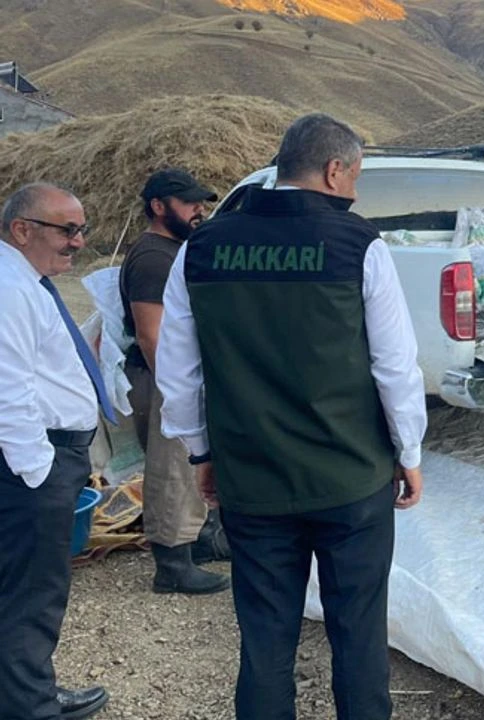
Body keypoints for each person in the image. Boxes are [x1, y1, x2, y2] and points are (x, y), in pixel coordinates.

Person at [155, 112, 428, 719]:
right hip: (351, 480)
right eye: (354, 176)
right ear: (334, 170)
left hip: (252, 479)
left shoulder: (201, 248)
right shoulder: (358, 245)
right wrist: (408, 451)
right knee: (358, 633)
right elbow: (393, 367)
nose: (354, 190)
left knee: (264, 638)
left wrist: (201, 452)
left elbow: (178, 371)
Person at [0, 183, 110, 719]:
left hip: (40, 457)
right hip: (33, 461)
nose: (79, 241)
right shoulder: (10, 288)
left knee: (23, 583)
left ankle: (25, 690)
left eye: (81, 229)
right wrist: (39, 472)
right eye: (67, 230)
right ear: (23, 230)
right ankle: (30, 707)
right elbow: (7, 389)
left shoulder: (24, 281)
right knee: (33, 591)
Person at [119, 168, 231, 595]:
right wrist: (174, 390)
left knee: (188, 468)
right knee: (172, 470)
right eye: (189, 203)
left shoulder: (172, 250)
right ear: (158, 206)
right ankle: (172, 566)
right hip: (161, 378)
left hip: (173, 375)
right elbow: (152, 333)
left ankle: (197, 542)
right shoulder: (153, 258)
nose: (198, 210)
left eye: (201, 202)